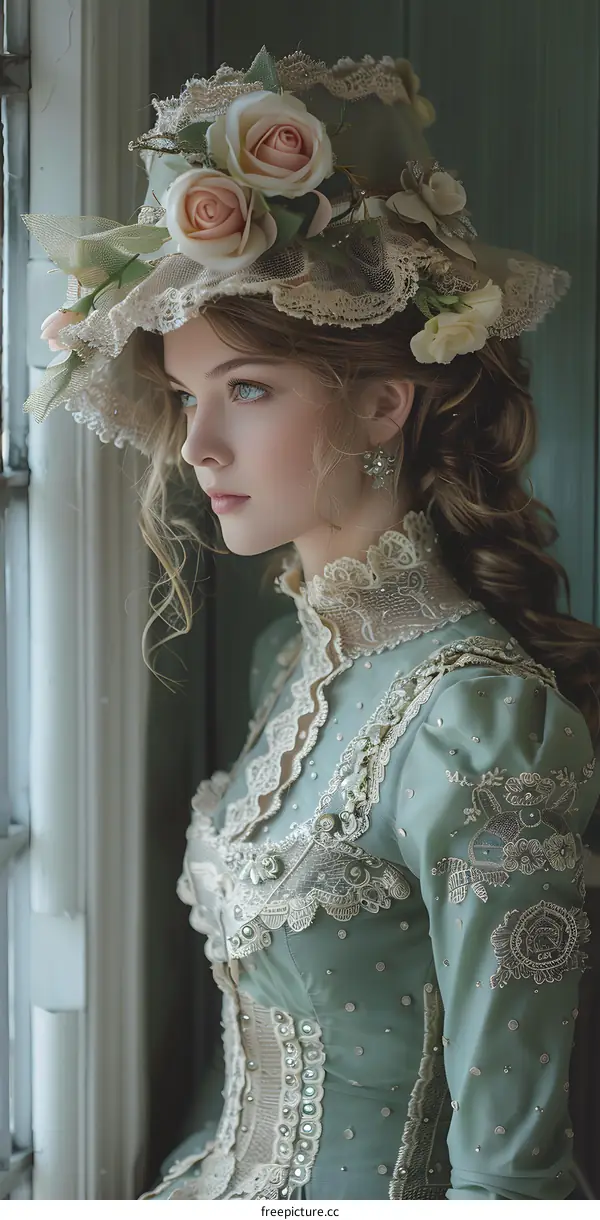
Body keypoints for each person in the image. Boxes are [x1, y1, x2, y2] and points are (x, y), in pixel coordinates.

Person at [24, 47, 600, 1202]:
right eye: (188, 397)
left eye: (246, 388)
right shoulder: (288, 656)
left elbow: (510, 1173)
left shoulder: (481, 724)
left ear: (386, 399)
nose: (196, 447)